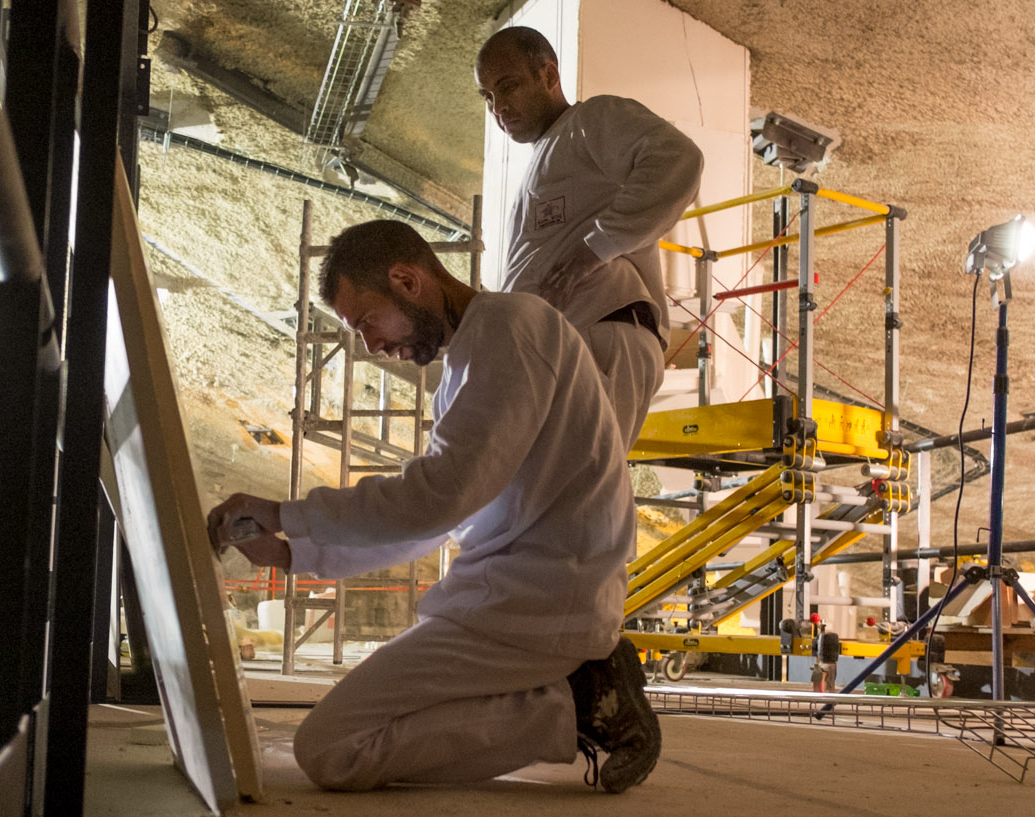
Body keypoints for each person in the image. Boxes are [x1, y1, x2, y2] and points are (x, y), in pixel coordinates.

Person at [207, 220, 661, 793]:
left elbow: (435, 500)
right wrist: (293, 552)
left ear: (406, 280)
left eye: (366, 321)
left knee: (330, 749)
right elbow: (436, 520)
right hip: (507, 604)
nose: (370, 345)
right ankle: (570, 696)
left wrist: (285, 513)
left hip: (540, 609)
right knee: (347, 739)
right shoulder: (473, 361)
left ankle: (577, 703)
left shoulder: (512, 331)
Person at [476, 25, 704, 448]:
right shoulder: (548, 154)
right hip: (566, 348)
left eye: (507, 86)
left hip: (602, 334)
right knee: (552, 497)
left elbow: (678, 159)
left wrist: (594, 251)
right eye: (488, 97)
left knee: (576, 496)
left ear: (549, 76)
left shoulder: (589, 121)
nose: (499, 107)